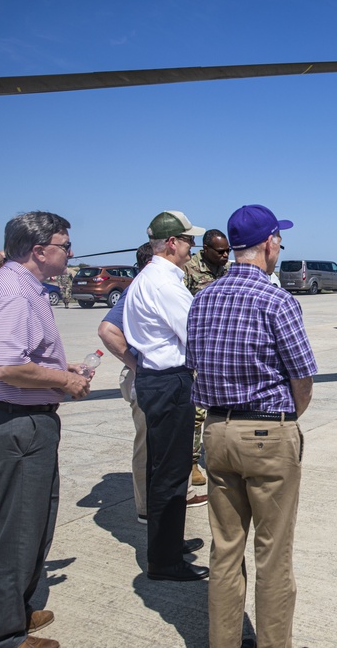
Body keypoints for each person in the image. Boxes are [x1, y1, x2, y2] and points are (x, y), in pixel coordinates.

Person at [187, 204, 316, 648]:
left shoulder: (202, 298)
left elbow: (194, 366)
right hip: (267, 434)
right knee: (273, 556)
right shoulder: (278, 300)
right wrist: (286, 422)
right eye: (278, 239)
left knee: (224, 552)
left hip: (218, 433)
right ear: (268, 244)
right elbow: (302, 379)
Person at [0, 212, 91, 648]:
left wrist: (60, 364)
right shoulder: (14, 293)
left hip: (19, 423)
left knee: (31, 526)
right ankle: (1, 637)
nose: (70, 251)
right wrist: (64, 380)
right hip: (14, 425)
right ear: (39, 250)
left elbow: (21, 353)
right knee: (18, 534)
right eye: (65, 244)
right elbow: (4, 365)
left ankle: (14, 611)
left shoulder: (17, 287)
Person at [123, 210, 209, 582]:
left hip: (156, 380)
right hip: (169, 382)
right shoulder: (166, 284)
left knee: (164, 470)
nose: (193, 247)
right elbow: (195, 337)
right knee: (171, 474)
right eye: (189, 240)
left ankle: (168, 544)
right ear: (172, 243)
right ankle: (165, 560)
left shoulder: (148, 278)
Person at [183, 228, 231, 487]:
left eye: (228, 251)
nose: (225, 255)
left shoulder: (228, 271)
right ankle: (191, 462)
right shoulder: (189, 270)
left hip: (222, 349)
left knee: (222, 405)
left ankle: (218, 457)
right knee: (198, 411)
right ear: (205, 249)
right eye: (220, 251)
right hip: (198, 349)